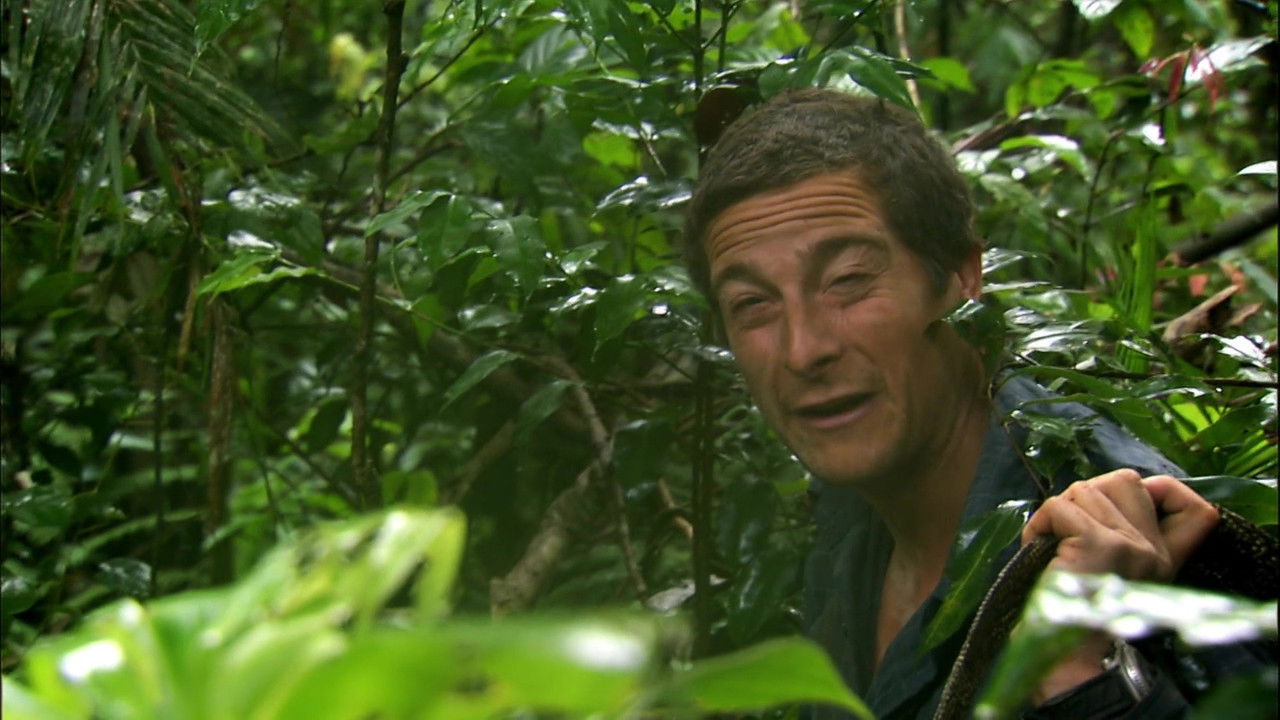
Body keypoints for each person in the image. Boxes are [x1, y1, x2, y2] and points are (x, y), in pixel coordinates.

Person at [682, 88, 1264, 718]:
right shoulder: (851, 519)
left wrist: (1079, 677)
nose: (803, 350)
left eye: (848, 280)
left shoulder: (1133, 531)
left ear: (962, 276)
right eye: (753, 304)